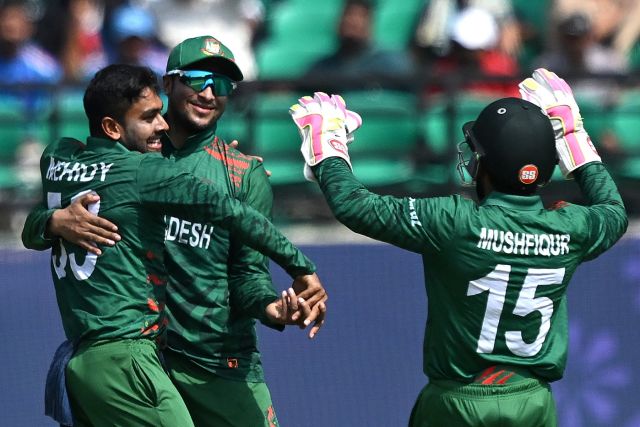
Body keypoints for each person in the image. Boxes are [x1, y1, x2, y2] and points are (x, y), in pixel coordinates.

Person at [289, 70, 627, 425]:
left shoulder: (455, 221)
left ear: (486, 163)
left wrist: (326, 144)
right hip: (534, 403)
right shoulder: (571, 228)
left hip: (458, 403)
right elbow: (614, 212)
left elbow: (355, 206)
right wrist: (572, 135)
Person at [24, 35, 328, 427]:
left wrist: (273, 308)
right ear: (168, 84)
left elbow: (247, 275)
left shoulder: (241, 174)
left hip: (216, 363)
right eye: (198, 78)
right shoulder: (136, 154)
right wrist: (53, 221)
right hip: (145, 361)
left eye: (221, 85)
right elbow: (37, 220)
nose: (208, 92)